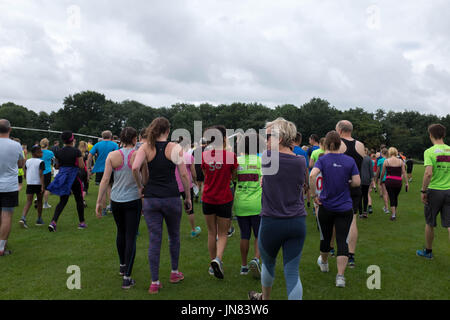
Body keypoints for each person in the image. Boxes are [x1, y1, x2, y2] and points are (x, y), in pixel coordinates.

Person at [248, 118, 307, 300]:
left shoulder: (267, 157)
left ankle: (264, 299)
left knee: (268, 264)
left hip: (272, 222)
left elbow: (267, 180)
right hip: (297, 222)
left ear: (279, 138)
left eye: (268, 136)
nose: (266, 141)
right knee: (292, 272)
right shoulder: (300, 161)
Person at [132, 117, 192, 294]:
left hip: (151, 198)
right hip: (171, 197)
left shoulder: (146, 147)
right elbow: (183, 175)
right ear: (167, 130)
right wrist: (188, 196)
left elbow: (135, 167)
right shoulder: (174, 147)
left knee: (154, 240)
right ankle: (174, 273)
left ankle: (154, 282)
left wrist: (140, 186)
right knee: (174, 236)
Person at [96, 127, 147, 289]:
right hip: (133, 199)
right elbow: (145, 178)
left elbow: (105, 180)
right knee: (131, 236)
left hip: (116, 200)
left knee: (121, 232)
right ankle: (127, 277)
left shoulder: (112, 155)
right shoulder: (139, 155)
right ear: (134, 139)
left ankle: (123, 266)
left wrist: (99, 201)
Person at [310, 130, 360, 288]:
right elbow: (357, 182)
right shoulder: (349, 160)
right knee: (342, 240)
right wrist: (348, 182)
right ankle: (340, 276)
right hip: (345, 207)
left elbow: (312, 175)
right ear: (340, 144)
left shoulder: (323, 159)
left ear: (326, 144)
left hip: (326, 206)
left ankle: (324, 263)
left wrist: (313, 195)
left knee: (325, 238)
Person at [201, 125, 238, 279]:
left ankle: (212, 264)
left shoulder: (204, 156)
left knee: (211, 232)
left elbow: (205, 175)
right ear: (224, 138)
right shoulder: (230, 156)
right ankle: (218, 259)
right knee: (222, 234)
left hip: (208, 197)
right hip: (224, 198)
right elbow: (234, 176)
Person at [417, 124, 450, 259]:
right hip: (449, 191)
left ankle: (428, 252)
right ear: (443, 135)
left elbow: (428, 173)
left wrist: (423, 191)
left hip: (435, 191)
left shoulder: (429, 152)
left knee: (430, 223)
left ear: (430, 135)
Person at [336, 120, 365, 268]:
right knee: (352, 219)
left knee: (334, 219)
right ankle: (351, 255)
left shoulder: (338, 145)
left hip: (340, 186)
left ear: (340, 130)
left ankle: (335, 250)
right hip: (356, 185)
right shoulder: (360, 145)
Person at [234, 133, 263, 278]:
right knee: (258, 234)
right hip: (257, 203)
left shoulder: (237, 161)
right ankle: (256, 259)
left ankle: (244, 266)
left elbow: (233, 178)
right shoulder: (260, 161)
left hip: (241, 203)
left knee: (244, 235)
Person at [47, 131, 87, 232]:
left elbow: (56, 166)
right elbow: (82, 166)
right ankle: (81, 223)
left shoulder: (58, 152)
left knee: (63, 201)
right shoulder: (76, 151)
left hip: (63, 176)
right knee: (79, 200)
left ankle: (53, 222)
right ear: (72, 139)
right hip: (74, 176)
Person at [0, 119, 25, 256]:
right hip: (9, 185)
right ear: (10, 129)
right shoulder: (16, 145)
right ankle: (1, 247)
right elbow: (21, 163)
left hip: (8, 185)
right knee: (7, 215)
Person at [175, 138, 201, 238]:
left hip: (175, 185)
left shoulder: (173, 157)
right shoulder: (189, 156)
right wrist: (195, 182)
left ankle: (173, 232)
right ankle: (193, 230)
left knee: (174, 209)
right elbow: (193, 173)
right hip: (186, 185)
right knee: (189, 209)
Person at [88, 130, 119, 215]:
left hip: (100, 169)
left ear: (102, 136)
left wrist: (89, 167)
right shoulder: (114, 144)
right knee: (110, 187)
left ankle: (104, 210)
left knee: (103, 189)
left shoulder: (97, 145)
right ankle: (111, 207)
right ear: (111, 136)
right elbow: (118, 155)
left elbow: (90, 155)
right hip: (111, 168)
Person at [19, 145, 45, 228]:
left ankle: (23, 218)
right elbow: (41, 175)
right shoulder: (41, 162)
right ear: (36, 153)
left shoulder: (27, 161)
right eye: (40, 152)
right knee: (40, 201)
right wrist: (42, 186)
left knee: (29, 202)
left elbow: (24, 170)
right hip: (38, 184)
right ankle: (39, 219)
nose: (41, 153)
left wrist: (26, 177)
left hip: (30, 184)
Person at [380, 147, 408, 221]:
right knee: (395, 197)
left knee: (391, 196)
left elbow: (382, 173)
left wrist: (380, 181)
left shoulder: (386, 161)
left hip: (389, 181)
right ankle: (394, 213)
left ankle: (393, 215)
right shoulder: (400, 161)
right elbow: (404, 172)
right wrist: (407, 183)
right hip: (398, 181)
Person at [40, 138, 55, 209]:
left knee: (39, 187)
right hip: (47, 171)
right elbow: (55, 161)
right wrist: (53, 167)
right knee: (46, 188)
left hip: (38, 172)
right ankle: (45, 204)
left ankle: (38, 200)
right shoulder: (50, 152)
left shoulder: (38, 151)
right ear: (47, 144)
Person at [359, 148, 374, 218]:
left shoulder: (358, 158)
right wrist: (372, 180)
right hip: (366, 179)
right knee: (365, 195)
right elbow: (371, 171)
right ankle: (365, 212)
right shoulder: (368, 159)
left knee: (360, 196)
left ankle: (360, 213)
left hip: (359, 179)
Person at [376, 148, 390, 213]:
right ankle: (387, 207)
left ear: (381, 153)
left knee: (385, 193)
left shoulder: (380, 160)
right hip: (390, 178)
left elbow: (378, 171)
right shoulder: (389, 160)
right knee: (388, 193)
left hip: (383, 178)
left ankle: (386, 208)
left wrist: (376, 179)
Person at [194, 138, 207, 202]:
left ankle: (196, 194)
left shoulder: (195, 150)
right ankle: (202, 198)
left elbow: (192, 159)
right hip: (204, 167)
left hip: (196, 167)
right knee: (202, 183)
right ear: (205, 143)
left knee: (197, 183)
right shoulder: (207, 150)